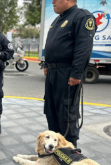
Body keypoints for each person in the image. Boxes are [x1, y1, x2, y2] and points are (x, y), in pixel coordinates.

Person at [43, 0, 97, 148]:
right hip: (53, 73)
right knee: (51, 110)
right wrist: (47, 65)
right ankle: (54, 147)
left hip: (67, 73)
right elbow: (53, 45)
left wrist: (77, 73)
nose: (52, 1)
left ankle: (69, 149)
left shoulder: (82, 17)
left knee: (66, 112)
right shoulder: (58, 19)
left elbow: (84, 48)